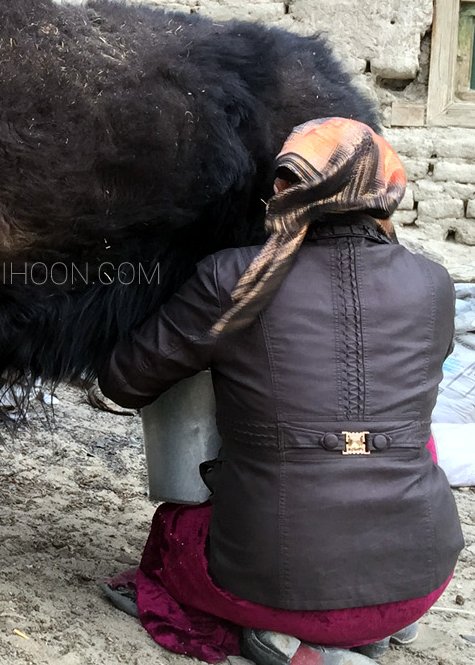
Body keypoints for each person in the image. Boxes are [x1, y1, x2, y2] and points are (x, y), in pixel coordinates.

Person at [96, 118, 465, 665]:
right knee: (406, 435)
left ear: (289, 190)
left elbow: (123, 382)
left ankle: (287, 643)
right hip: (422, 579)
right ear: (384, 190)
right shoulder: (434, 284)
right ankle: (367, 630)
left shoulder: (234, 278)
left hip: (271, 581)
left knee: (177, 534)